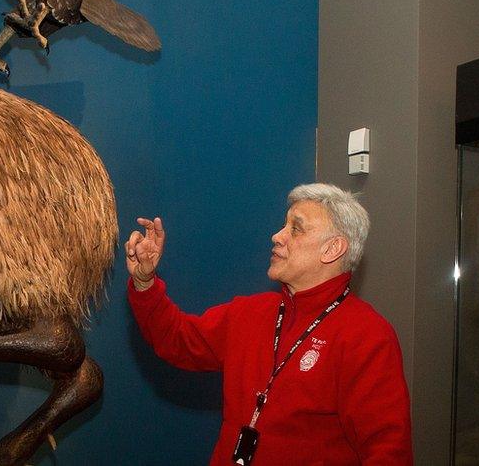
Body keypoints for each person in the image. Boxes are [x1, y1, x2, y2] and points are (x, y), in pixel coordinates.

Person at [127, 183, 412, 465]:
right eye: (283, 226)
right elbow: (177, 340)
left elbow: (388, 452)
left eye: (295, 229)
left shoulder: (367, 336)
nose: (276, 236)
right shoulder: (250, 312)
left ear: (332, 249)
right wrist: (144, 282)